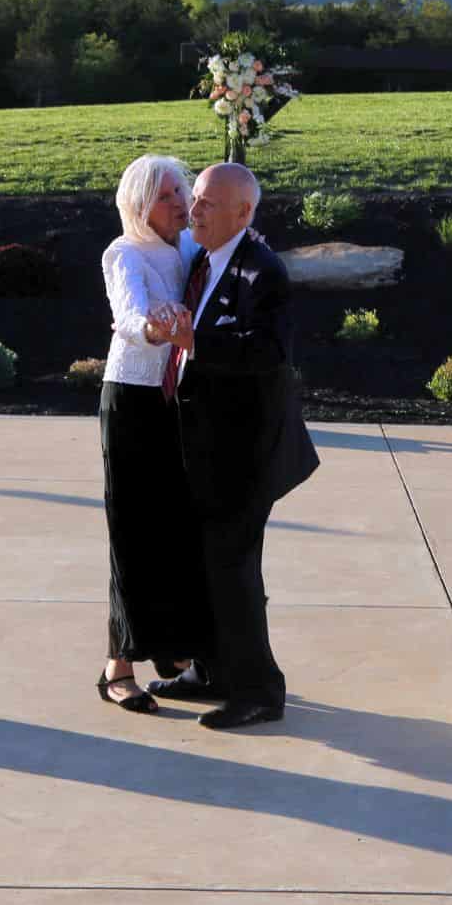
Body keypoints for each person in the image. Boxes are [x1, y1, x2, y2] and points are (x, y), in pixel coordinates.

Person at [147, 162, 319, 730]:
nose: (194, 211)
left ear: (243, 214)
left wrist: (197, 340)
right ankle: (211, 668)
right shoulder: (203, 261)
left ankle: (259, 690)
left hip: (245, 454)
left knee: (234, 570)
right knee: (206, 566)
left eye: (207, 204)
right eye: (193, 199)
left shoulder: (261, 271)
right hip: (205, 448)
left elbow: (268, 353)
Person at [93, 154, 213, 712]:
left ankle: (175, 652)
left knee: (178, 529)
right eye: (167, 196)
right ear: (141, 204)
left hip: (179, 402)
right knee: (133, 532)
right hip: (133, 401)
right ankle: (118, 665)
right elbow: (128, 316)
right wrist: (153, 328)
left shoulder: (190, 248)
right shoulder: (124, 252)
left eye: (181, 192)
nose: (180, 204)